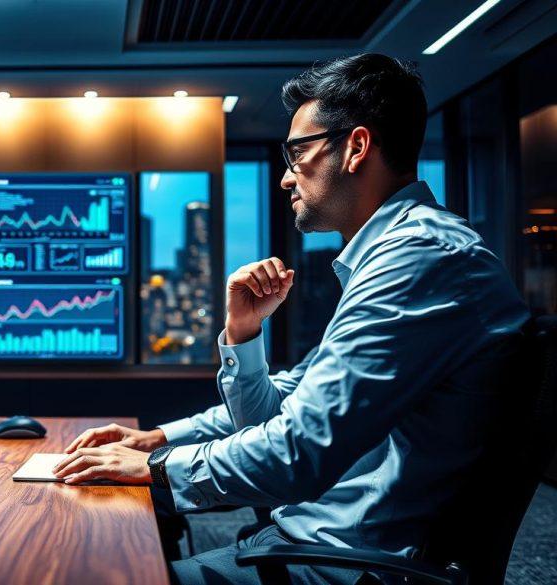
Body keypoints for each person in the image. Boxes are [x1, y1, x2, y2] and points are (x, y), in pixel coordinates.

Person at [52, 54, 529, 584]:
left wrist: (157, 466)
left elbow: (297, 452)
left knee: (89, 573)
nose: (284, 178)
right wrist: (169, 426)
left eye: (297, 153)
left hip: (348, 564)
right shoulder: (393, 259)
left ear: (356, 148)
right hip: (309, 538)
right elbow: (283, 411)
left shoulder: (420, 259)